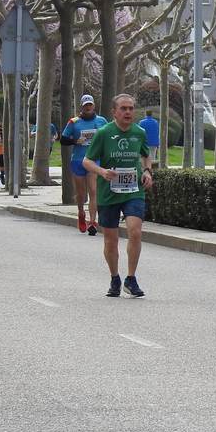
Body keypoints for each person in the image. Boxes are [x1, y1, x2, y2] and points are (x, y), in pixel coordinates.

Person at [82, 94, 154, 298]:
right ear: (114, 112)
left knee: (135, 231)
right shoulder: (104, 133)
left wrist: (148, 172)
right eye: (123, 108)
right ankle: (115, 277)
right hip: (109, 192)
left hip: (133, 190)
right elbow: (87, 161)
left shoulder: (139, 132)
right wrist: (102, 172)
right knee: (110, 240)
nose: (128, 112)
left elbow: (146, 155)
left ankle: (131, 279)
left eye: (131, 108)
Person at [60, 95, 108, 234]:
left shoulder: (101, 121)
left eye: (90, 105)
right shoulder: (74, 122)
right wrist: (75, 141)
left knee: (93, 191)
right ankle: (81, 212)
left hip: (94, 161)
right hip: (78, 160)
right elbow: (63, 140)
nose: (88, 107)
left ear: (93, 106)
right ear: (82, 106)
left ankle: (92, 222)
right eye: (86, 105)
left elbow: (107, 136)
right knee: (81, 194)